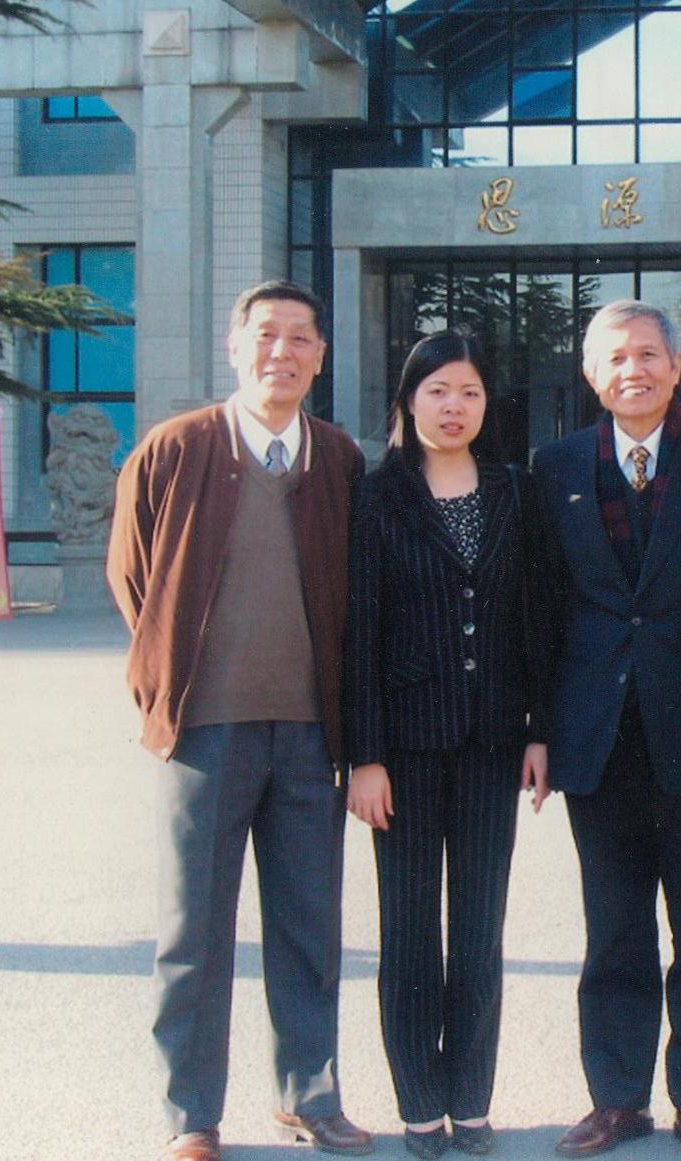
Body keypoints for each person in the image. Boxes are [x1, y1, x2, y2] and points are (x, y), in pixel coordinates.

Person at [107, 281, 372, 1161]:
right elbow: (132, 575)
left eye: (300, 338)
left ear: (321, 356)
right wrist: (168, 677)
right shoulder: (175, 448)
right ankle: (192, 1113)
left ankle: (309, 1096)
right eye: (265, 335)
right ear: (235, 346)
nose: (281, 352)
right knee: (194, 930)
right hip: (204, 731)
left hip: (309, 733)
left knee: (309, 928)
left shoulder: (337, 459)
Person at [528, 300, 681, 1161]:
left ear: (677, 365)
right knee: (614, 929)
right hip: (596, 734)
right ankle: (617, 1097)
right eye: (616, 358)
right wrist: (537, 728)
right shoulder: (555, 467)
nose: (634, 370)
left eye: (649, 354)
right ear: (592, 374)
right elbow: (541, 606)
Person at [343, 332, 548, 1160]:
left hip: (493, 742)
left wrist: (539, 730)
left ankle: (471, 1097)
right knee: (408, 929)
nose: (454, 406)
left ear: (487, 403)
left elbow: (538, 617)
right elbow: (359, 630)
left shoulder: (515, 490)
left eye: (468, 391)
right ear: (408, 399)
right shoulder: (375, 495)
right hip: (404, 748)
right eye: (437, 391)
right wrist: (363, 756)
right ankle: (419, 1103)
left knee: (478, 929)